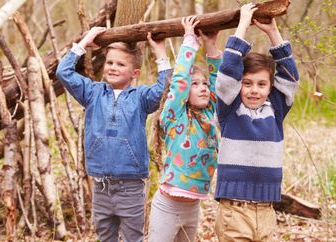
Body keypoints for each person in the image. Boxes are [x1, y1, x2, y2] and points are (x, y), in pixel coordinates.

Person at [56, 26, 172, 242]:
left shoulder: (141, 97)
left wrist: (160, 53)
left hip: (130, 185)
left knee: (132, 238)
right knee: (105, 237)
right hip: (100, 186)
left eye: (120, 64)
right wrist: (84, 42)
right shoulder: (92, 93)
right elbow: (64, 72)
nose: (112, 67)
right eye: (110, 62)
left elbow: (165, 88)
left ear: (135, 73)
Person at [214, 3, 299, 241]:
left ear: (271, 87)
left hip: (267, 212)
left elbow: (290, 77)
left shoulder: (276, 109)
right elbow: (227, 74)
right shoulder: (230, 110)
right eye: (247, 83)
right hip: (234, 212)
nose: (254, 90)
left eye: (261, 84)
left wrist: (273, 33)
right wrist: (242, 25)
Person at [148, 16, 222, 242]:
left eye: (204, 84)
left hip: (193, 207)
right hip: (167, 207)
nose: (202, 89)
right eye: (195, 84)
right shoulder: (174, 116)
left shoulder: (210, 116)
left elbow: (219, 82)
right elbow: (179, 80)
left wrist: (211, 46)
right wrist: (189, 41)